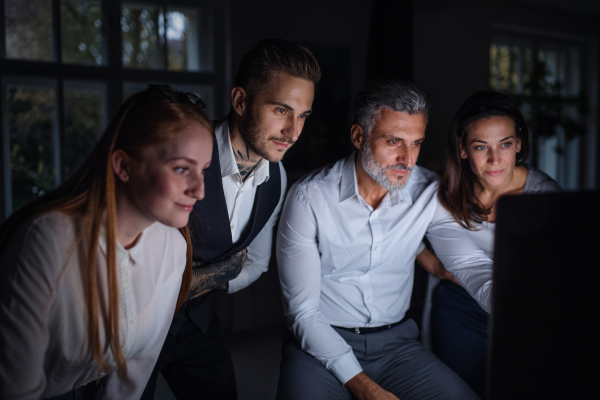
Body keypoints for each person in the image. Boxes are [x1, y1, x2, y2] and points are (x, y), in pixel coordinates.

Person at [276, 78, 494, 400]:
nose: (407, 158)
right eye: (394, 141)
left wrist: (513, 307)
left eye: (417, 143)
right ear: (358, 136)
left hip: (398, 347)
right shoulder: (309, 198)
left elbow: (469, 262)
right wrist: (365, 389)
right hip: (319, 344)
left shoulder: (428, 193)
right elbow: (303, 313)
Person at [0, 85, 213, 399]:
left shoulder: (174, 246)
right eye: (182, 169)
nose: (200, 190)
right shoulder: (49, 239)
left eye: (203, 171)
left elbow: (138, 368)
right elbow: (16, 389)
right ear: (124, 166)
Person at [142, 38, 320, 400]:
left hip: (199, 325)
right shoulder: (182, 154)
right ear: (240, 101)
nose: (294, 132)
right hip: (136, 325)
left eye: (302, 115)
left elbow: (255, 262)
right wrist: (220, 269)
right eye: (281, 110)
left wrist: (200, 283)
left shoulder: (278, 177)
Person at [429, 90, 561, 397]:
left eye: (505, 144)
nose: (495, 159)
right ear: (462, 149)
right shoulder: (444, 191)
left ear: (518, 144)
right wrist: (429, 260)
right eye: (480, 147)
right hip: (458, 308)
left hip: (522, 312)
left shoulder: (546, 196)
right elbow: (396, 231)